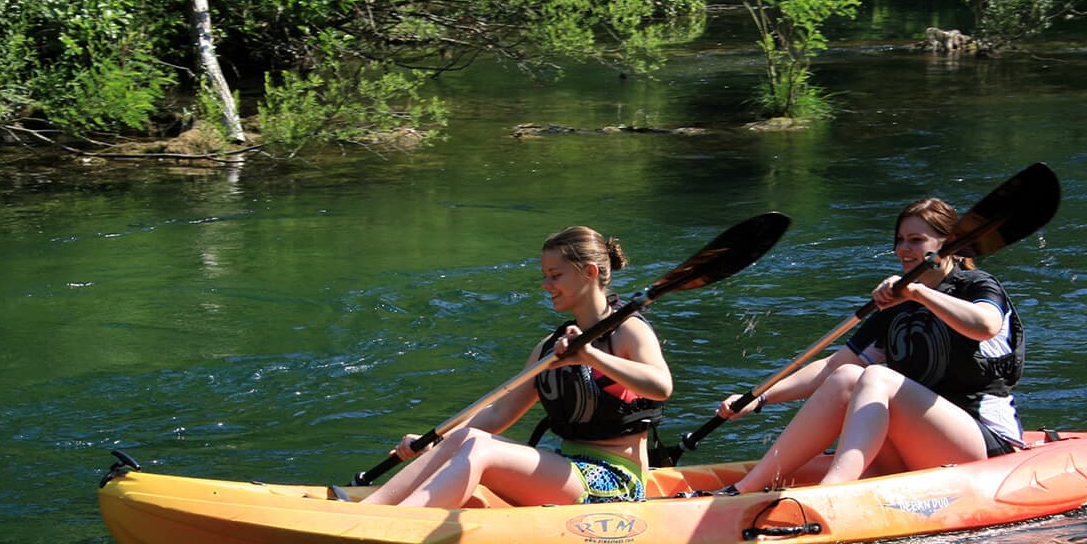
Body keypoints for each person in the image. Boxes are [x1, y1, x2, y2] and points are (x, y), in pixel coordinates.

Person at [718, 196, 1024, 491]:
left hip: (984, 447)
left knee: (878, 376)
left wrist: (918, 293)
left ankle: (833, 492)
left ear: (948, 245)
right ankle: (749, 487)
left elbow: (985, 326)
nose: (903, 249)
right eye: (900, 239)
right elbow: (831, 367)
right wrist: (759, 399)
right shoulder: (897, 306)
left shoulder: (978, 286)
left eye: (916, 240)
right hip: (919, 446)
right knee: (847, 376)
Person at [365, 226, 673, 508]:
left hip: (615, 481)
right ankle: (372, 509)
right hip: (568, 468)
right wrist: (433, 442)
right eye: (545, 275)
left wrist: (591, 356)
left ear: (589, 272)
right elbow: (498, 413)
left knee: (480, 450)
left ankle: (402, 522)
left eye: (555, 275)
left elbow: (661, 386)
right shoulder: (550, 347)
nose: (546, 284)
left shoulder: (628, 331)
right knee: (467, 437)